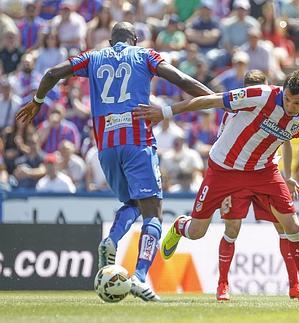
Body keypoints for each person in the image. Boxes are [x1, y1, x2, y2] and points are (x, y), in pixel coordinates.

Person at [16, 22, 213, 302]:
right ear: (135, 39)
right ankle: (140, 277)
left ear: (110, 41)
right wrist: (216, 99)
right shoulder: (144, 55)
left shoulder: (93, 57)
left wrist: (37, 100)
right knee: (153, 211)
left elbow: (52, 73)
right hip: (137, 142)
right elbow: (181, 79)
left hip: (106, 147)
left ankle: (111, 240)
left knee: (131, 204)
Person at [133, 70, 299, 303]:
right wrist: (166, 112)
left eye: (297, 103)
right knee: (197, 232)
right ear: (282, 90)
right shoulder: (261, 95)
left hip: (263, 171)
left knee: (292, 225)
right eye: (287, 99)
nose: (290, 106)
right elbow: (211, 100)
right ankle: (181, 226)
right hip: (224, 168)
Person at [213, 69, 299, 301]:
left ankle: (294, 286)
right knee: (232, 228)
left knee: (285, 228)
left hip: (265, 175)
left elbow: (285, 142)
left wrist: (287, 175)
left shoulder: (277, 109)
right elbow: (222, 143)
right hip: (237, 175)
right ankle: (222, 284)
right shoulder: (232, 113)